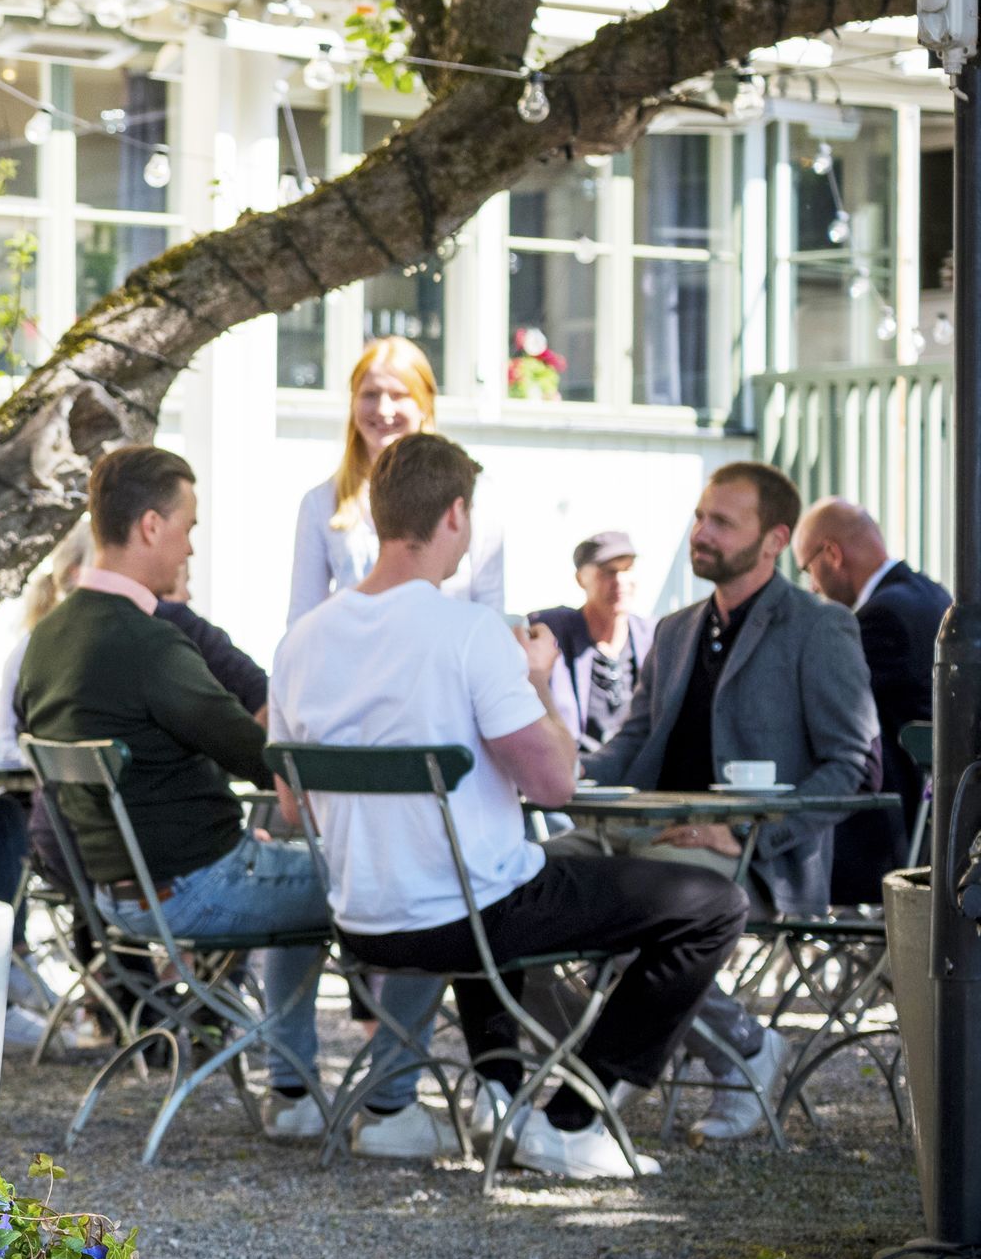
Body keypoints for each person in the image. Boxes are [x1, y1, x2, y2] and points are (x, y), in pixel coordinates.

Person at [271, 433, 748, 1183]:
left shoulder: (300, 643)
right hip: (468, 917)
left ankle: (504, 1096)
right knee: (712, 904)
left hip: (362, 918)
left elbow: (293, 813)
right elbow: (557, 785)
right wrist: (534, 678)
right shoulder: (468, 636)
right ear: (456, 515)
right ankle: (572, 1117)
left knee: (506, 870)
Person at [14, 444, 434, 1152]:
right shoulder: (148, 646)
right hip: (201, 889)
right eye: (188, 526)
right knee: (419, 881)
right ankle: (393, 1107)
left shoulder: (47, 641)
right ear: (150, 526)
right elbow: (263, 757)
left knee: (307, 876)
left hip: (117, 896)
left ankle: (294, 1092)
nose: (190, 546)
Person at [589, 461, 880, 1134]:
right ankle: (597, 1066)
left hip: (755, 855)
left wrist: (750, 834)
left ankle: (726, 1053)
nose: (701, 532)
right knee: (519, 886)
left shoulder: (819, 627)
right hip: (652, 838)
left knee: (629, 910)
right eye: (699, 517)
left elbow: (854, 768)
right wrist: (548, 781)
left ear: (776, 540)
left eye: (722, 521)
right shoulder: (675, 629)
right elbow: (628, 748)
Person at [289, 336, 510, 623]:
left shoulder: (474, 492)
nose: (383, 409)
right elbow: (303, 618)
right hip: (362, 662)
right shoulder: (321, 502)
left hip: (447, 660)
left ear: (424, 403)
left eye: (398, 395)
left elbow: (491, 606)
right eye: (370, 394)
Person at [794, 497, 948, 907]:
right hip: (933, 828)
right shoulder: (930, 594)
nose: (811, 585)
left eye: (807, 569)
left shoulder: (882, 618)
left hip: (890, 841)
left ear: (831, 553)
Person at [532, 529, 652, 756]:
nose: (620, 581)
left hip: (635, 774)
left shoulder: (653, 637)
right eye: (608, 572)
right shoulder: (556, 634)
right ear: (580, 579)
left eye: (627, 569)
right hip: (577, 773)